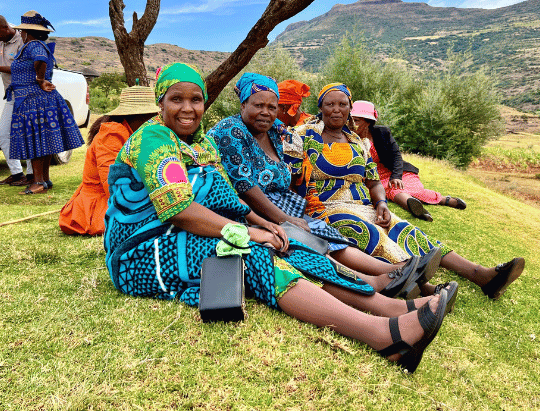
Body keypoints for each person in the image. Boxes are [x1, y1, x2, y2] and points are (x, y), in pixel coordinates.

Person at [103, 62, 449, 373]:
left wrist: (262, 221)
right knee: (253, 253)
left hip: (188, 228)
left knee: (287, 243)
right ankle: (381, 336)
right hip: (144, 247)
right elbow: (177, 210)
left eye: (196, 99)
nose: (188, 108)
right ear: (160, 102)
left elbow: (224, 194)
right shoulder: (154, 138)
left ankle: (388, 306)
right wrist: (251, 234)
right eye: (176, 99)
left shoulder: (200, 143)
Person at [208, 73, 443, 300]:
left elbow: (292, 176)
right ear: (243, 104)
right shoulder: (232, 130)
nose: (266, 113)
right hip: (254, 211)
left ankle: (402, 272)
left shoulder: (276, 133)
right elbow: (245, 187)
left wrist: (298, 211)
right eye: (258, 105)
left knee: (330, 237)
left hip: (287, 206)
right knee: (314, 240)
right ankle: (380, 279)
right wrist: (285, 218)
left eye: (272, 107)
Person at [284, 83, 525, 300]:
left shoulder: (358, 142)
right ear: (320, 107)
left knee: (406, 229)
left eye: (342, 104)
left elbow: (374, 181)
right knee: (371, 235)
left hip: (364, 205)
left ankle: (480, 275)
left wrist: (381, 204)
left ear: (350, 109)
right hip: (325, 209)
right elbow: (292, 179)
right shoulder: (302, 136)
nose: (336, 110)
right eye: (330, 104)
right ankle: (423, 287)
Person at [59, 86, 159, 236]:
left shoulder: (135, 133)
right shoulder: (112, 135)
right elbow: (113, 187)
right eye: (150, 116)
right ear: (134, 116)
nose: (155, 121)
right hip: (101, 205)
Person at [351, 100, 466, 222]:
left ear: (368, 122)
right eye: (351, 119)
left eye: (356, 120)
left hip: (395, 171)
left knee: (408, 187)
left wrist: (396, 176)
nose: (352, 124)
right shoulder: (349, 138)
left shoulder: (382, 133)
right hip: (374, 177)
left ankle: (441, 200)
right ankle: (417, 208)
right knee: (392, 190)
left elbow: (396, 155)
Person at [8, 10, 84, 194]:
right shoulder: (38, 44)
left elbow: (40, 60)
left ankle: (38, 182)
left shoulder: (33, 45)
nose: (21, 34)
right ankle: (45, 181)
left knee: (36, 141)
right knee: (44, 141)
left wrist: (40, 80)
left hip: (34, 100)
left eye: (22, 31)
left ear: (26, 32)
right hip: (37, 100)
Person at [0, 15, 33, 186]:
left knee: (27, 134)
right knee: (4, 134)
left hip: (27, 93)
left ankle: (32, 175)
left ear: (4, 28)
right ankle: (17, 173)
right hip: (11, 95)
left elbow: (25, 67)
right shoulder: (1, 42)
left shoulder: (22, 39)